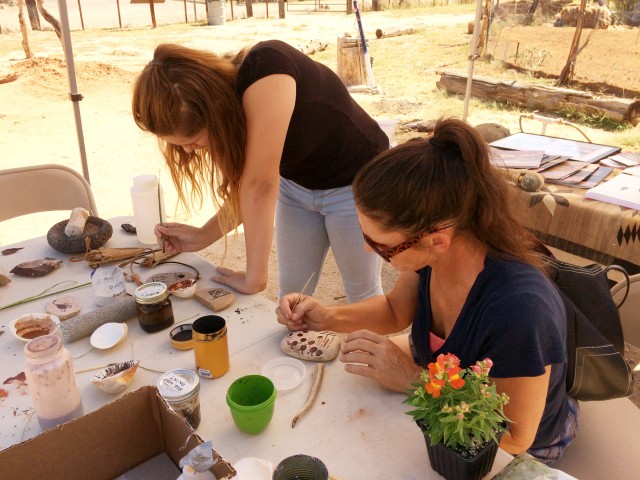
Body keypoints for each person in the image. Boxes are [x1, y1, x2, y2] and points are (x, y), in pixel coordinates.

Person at [276, 118, 577, 464]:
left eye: (380, 246)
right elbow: (394, 311)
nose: (366, 250)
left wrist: (413, 381)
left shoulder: (520, 310)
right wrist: (326, 316)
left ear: (436, 240)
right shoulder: (434, 257)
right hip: (449, 400)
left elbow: (514, 437)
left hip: (520, 450)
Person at [131, 41, 388, 300]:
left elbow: (260, 186)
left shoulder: (268, 68)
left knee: (361, 291)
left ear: (214, 113)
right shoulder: (224, 114)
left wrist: (254, 277)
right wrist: (202, 236)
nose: (188, 151)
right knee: (292, 292)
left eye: (193, 141)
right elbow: (247, 190)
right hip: (297, 184)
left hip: (356, 182)